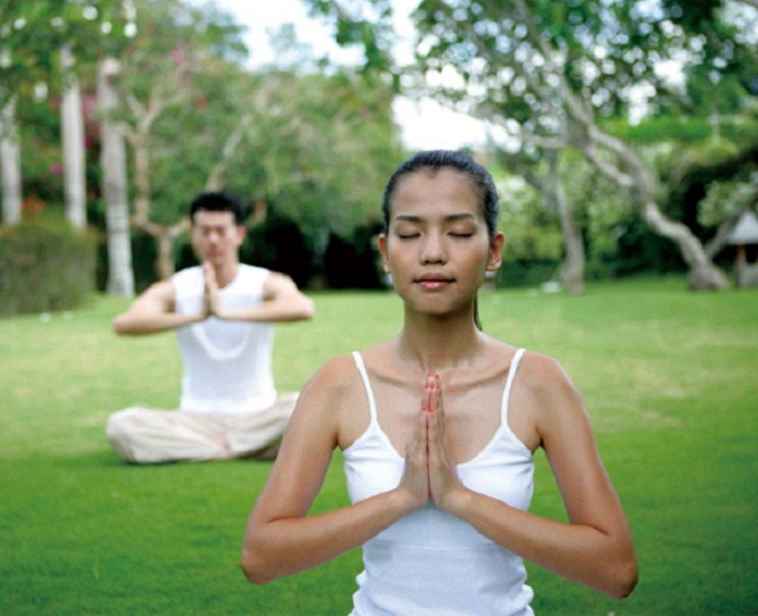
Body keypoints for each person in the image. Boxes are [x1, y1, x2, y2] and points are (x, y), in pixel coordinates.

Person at [241, 150, 637, 614]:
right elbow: (261, 556)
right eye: (410, 234)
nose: (432, 253)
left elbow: (615, 569)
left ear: (493, 251)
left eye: (459, 232)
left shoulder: (537, 382)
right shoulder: (340, 384)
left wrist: (460, 498)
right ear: (386, 253)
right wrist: (401, 498)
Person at [106, 191, 315, 464]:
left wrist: (226, 313)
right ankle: (237, 448)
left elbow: (303, 308)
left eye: (220, 231)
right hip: (195, 419)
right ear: (193, 235)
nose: (213, 239)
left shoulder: (262, 281)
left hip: (259, 413)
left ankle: (206, 449)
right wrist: (197, 316)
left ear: (238, 234)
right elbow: (124, 323)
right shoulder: (178, 287)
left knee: (309, 407)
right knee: (122, 425)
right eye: (204, 231)